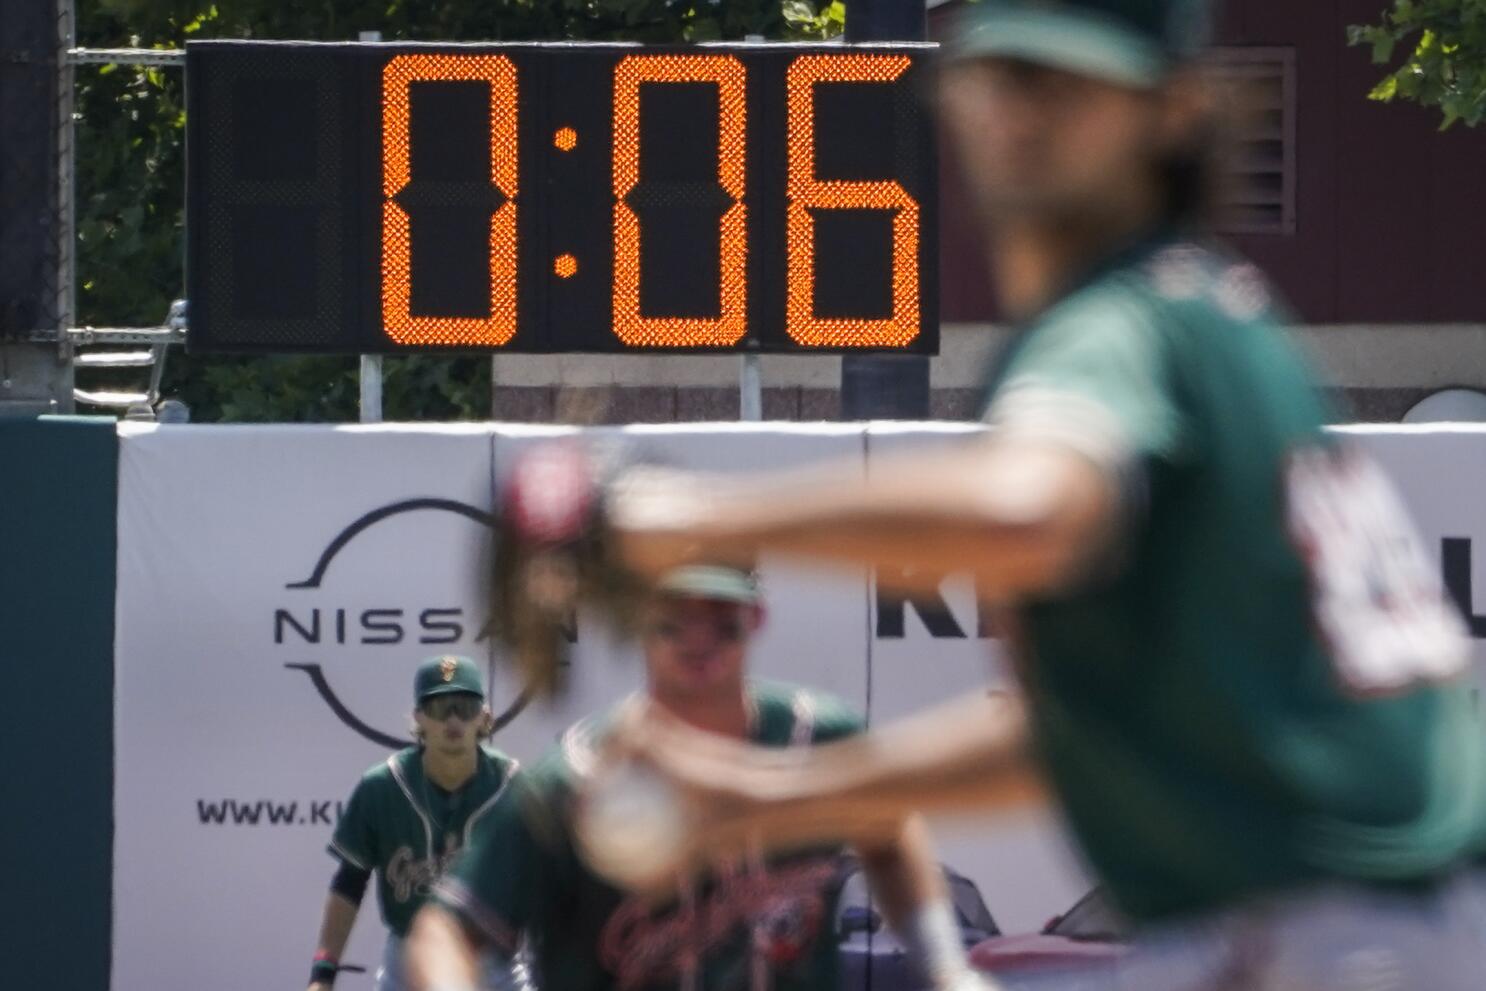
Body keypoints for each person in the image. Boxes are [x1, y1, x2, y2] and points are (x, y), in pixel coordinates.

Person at [492, 1, 1486, 987]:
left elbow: (1030, 512)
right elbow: (1055, 737)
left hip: (1341, 929)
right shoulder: (1214, 327)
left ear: (1176, 110)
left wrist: (654, 520)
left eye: (1067, 84)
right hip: (1386, 915)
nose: (1020, 113)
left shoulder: (1117, 325)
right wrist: (763, 800)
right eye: (998, 76)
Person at [404, 565, 981, 991]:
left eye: (719, 616)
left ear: (754, 617)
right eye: (676, 617)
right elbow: (447, 930)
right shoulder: (576, 780)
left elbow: (888, 830)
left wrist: (944, 965)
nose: (697, 635)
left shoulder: (818, 741)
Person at [306, 654, 524, 991]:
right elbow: (350, 880)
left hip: (494, 961)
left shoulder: (512, 786)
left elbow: (549, 884)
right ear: (419, 718)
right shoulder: (383, 786)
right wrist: (323, 974)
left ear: (484, 718)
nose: (453, 720)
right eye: (439, 708)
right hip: (409, 961)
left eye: (464, 707)